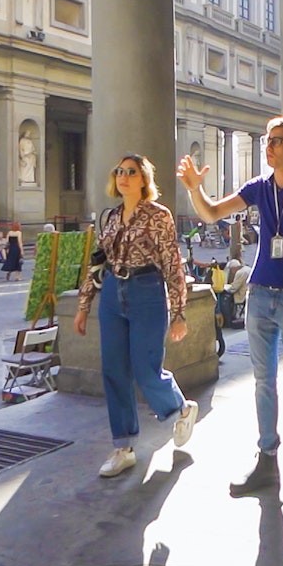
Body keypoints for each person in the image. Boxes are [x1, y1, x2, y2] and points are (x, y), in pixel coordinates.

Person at [177, 116, 283, 497]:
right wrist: (194, 189)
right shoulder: (259, 188)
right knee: (262, 380)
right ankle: (267, 459)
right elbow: (211, 213)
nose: (268, 148)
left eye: (276, 142)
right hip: (259, 295)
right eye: (267, 141)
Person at [74, 154, 198, 478]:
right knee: (114, 370)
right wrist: (84, 304)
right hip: (114, 292)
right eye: (119, 172)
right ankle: (123, 447)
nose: (124, 177)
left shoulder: (159, 216)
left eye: (131, 172)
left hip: (146, 292)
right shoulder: (111, 217)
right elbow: (98, 261)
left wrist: (179, 312)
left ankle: (180, 408)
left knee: (146, 370)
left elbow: (172, 263)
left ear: (144, 179)